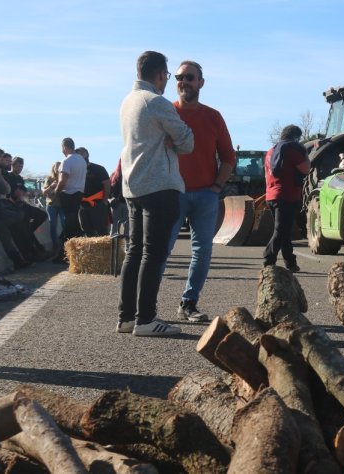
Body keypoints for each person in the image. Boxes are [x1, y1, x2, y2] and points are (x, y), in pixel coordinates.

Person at [117, 50, 194, 337]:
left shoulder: (128, 102)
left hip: (133, 185)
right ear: (161, 74)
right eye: (169, 76)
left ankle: (126, 317)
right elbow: (186, 141)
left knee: (134, 252)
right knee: (153, 254)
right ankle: (146, 319)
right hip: (160, 184)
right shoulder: (156, 102)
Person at [163, 60, 236, 323]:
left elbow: (228, 156)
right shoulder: (166, 112)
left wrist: (216, 186)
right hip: (172, 193)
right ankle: (146, 307)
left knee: (202, 251)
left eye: (190, 77)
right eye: (180, 77)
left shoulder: (213, 117)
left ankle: (189, 303)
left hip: (206, 194)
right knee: (162, 249)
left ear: (201, 83)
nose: (184, 82)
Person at [262, 124, 310, 272]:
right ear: (295, 137)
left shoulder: (271, 151)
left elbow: (266, 175)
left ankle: (290, 263)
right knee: (281, 230)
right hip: (287, 195)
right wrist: (306, 155)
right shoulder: (292, 150)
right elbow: (306, 169)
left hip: (271, 194)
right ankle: (268, 259)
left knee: (285, 230)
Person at [3, 156, 49, 256]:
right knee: (26, 225)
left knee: (42, 215)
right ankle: (36, 249)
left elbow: (24, 192)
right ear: (13, 166)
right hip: (15, 206)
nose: (20, 169)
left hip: (23, 204)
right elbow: (15, 193)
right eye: (18, 166)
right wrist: (21, 194)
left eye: (21, 167)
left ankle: (29, 232)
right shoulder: (9, 177)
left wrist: (28, 193)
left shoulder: (20, 178)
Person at [52, 137, 87, 261]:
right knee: (74, 224)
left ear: (64, 147)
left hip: (68, 195)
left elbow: (62, 181)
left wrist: (56, 192)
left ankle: (65, 255)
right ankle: (75, 254)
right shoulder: (82, 161)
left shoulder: (66, 161)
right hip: (78, 194)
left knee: (69, 225)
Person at [75, 147, 111, 237]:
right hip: (82, 205)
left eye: (79, 154)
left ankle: (106, 250)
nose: (77, 157)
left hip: (97, 204)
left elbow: (107, 184)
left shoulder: (98, 169)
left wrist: (105, 200)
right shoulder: (76, 171)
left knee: (101, 230)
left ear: (85, 154)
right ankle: (91, 250)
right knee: (86, 229)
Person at [42, 161, 65, 254]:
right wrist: (51, 186)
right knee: (53, 225)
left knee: (65, 224)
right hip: (52, 205)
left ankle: (64, 244)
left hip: (62, 205)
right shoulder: (49, 178)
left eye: (60, 167)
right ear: (53, 168)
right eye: (57, 167)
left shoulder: (64, 178)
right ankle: (55, 245)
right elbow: (44, 192)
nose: (58, 169)